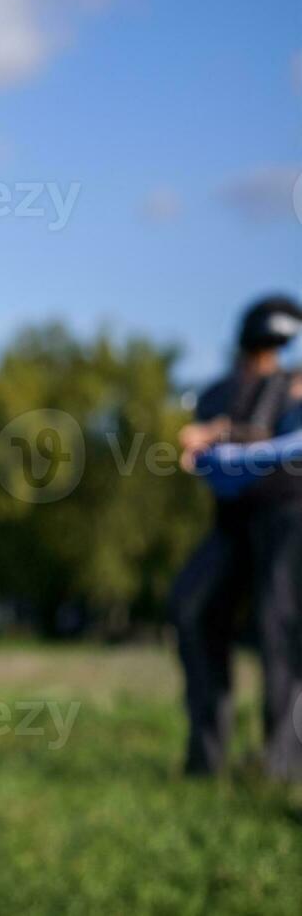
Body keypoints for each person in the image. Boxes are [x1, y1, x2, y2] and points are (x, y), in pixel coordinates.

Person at [175, 294, 302, 778]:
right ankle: (205, 758)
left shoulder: (293, 386)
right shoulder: (215, 393)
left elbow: (279, 439)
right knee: (191, 607)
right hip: (232, 518)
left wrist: (221, 435)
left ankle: (283, 765)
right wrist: (206, 436)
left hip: (288, 513)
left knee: (280, 628)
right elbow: (197, 448)